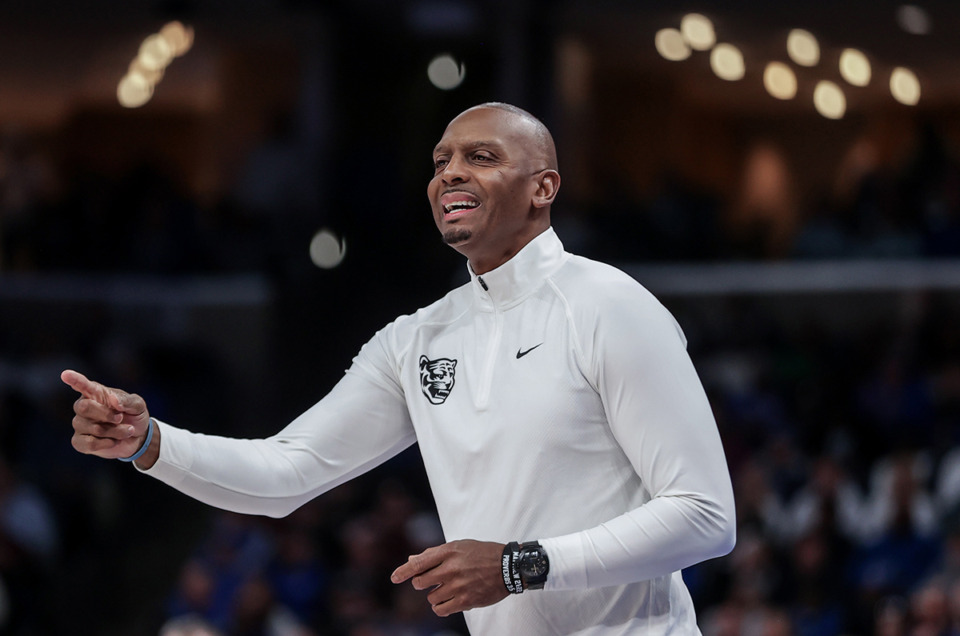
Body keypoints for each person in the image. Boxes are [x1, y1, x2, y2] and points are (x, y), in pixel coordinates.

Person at [63, 102, 736, 635]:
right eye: (441, 160)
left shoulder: (610, 306)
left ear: (543, 187)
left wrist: (517, 564)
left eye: (481, 157)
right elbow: (286, 474)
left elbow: (706, 516)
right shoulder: (416, 339)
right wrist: (151, 444)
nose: (450, 173)